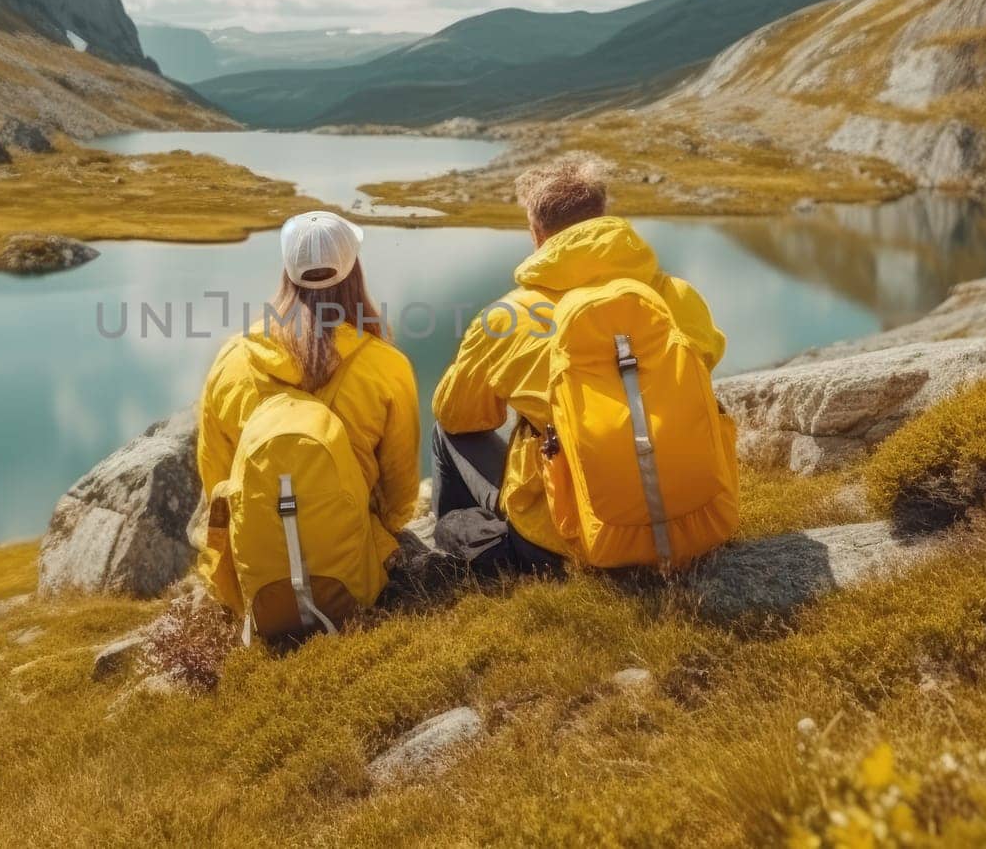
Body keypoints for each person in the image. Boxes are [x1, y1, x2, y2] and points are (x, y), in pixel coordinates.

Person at [431, 157, 735, 573]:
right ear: (604, 218)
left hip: (568, 542)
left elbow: (459, 416)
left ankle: (465, 556)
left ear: (537, 234)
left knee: (444, 433)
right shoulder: (676, 297)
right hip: (699, 522)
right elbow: (706, 360)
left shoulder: (506, 317)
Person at [194, 210, 421, 637]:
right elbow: (401, 493)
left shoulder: (233, 358)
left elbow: (215, 479)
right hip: (355, 572)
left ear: (287, 272)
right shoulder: (386, 364)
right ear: (355, 271)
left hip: (258, 576)